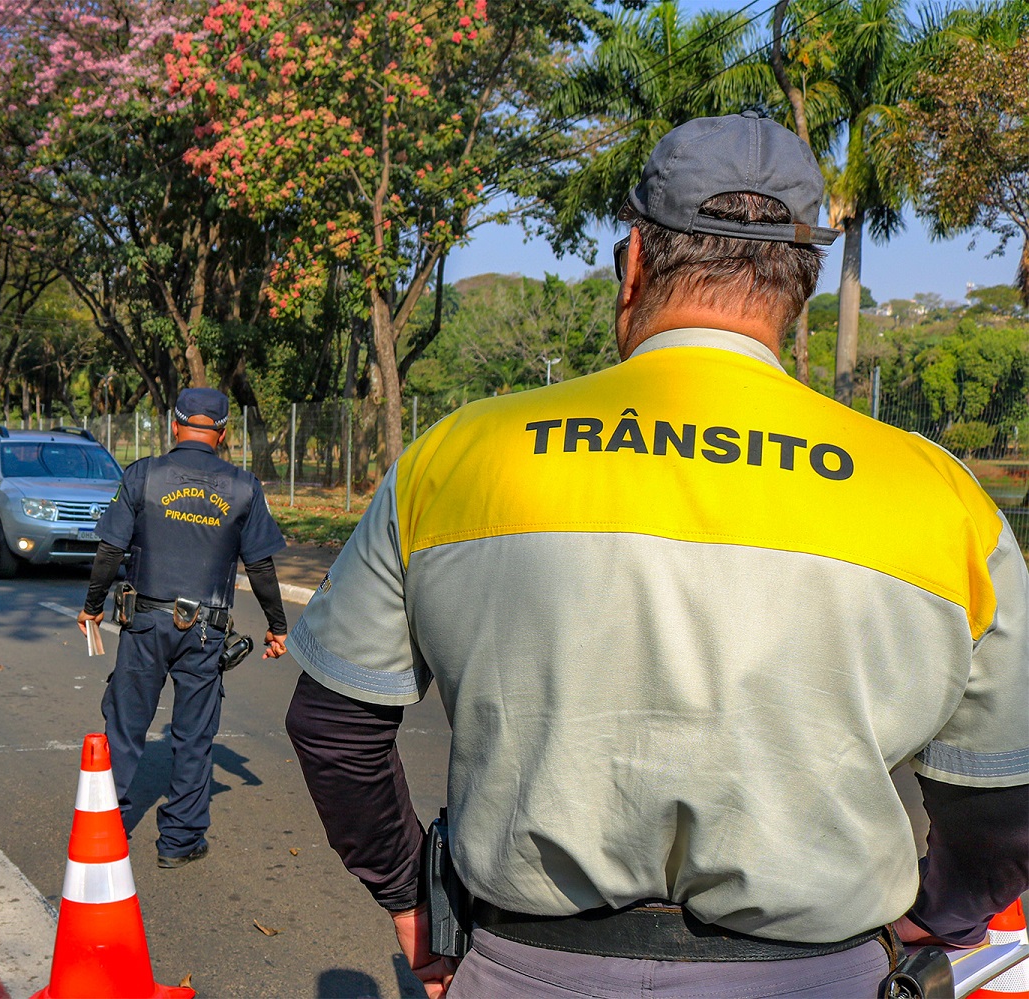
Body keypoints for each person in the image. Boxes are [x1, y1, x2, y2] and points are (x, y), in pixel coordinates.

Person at [284, 111, 1029, 997]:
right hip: (817, 976)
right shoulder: (940, 497)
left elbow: (334, 726)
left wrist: (410, 892)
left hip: (525, 968)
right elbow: (1006, 795)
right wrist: (940, 914)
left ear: (634, 260)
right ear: (800, 287)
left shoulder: (457, 455)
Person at [78, 387, 289, 868]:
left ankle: (108, 829)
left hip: (144, 625)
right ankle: (178, 842)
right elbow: (260, 566)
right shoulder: (243, 487)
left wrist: (92, 606)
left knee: (125, 726)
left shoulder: (143, 475)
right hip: (206, 633)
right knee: (194, 736)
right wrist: (277, 627)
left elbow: (110, 550)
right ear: (223, 433)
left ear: (174, 425)